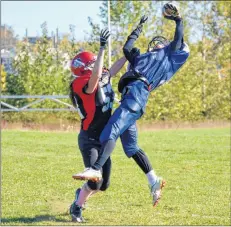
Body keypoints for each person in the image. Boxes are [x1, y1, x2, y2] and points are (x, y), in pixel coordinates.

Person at [73, 2, 190, 208]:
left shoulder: (169, 57)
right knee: (131, 147)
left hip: (136, 95)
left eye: (161, 43)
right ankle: (154, 180)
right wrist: (138, 29)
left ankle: (96, 168)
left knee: (109, 132)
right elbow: (127, 49)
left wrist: (178, 20)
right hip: (130, 98)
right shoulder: (142, 59)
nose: (156, 44)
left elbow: (178, 38)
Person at [69, 29, 127, 222]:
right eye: (93, 62)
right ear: (84, 67)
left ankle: (81, 194)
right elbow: (93, 83)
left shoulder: (100, 76)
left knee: (104, 185)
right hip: (89, 138)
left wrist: (129, 52)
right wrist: (102, 49)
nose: (98, 65)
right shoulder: (79, 83)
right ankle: (76, 208)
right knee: (94, 182)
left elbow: (112, 70)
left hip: (104, 137)